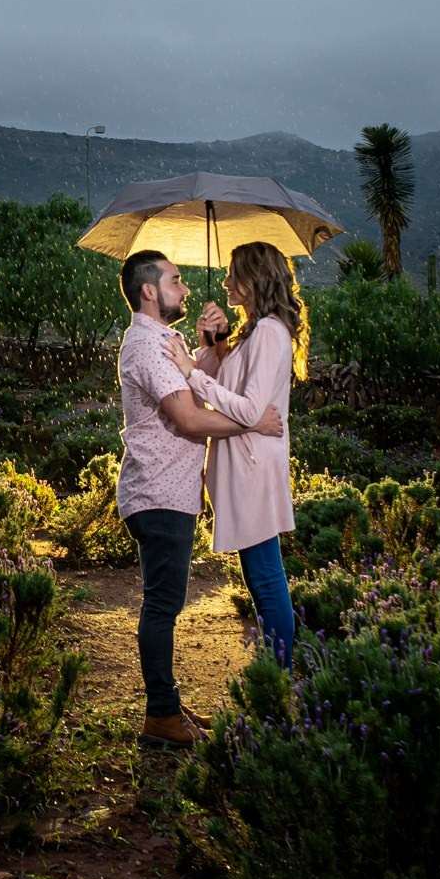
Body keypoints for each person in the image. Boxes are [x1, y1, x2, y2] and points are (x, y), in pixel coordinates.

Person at [116, 249, 282, 750]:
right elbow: (189, 418)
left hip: (170, 492)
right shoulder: (146, 344)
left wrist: (214, 344)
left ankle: (168, 705)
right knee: (163, 605)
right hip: (159, 492)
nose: (185, 289)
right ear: (150, 290)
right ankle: (161, 716)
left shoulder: (167, 339)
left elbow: (197, 378)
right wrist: (251, 422)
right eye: (176, 279)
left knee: (165, 602)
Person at [162, 241, 305, 670]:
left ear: (253, 279)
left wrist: (192, 373)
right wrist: (219, 342)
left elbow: (247, 409)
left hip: (252, 467)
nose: (225, 282)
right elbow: (239, 387)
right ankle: (275, 673)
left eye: (232, 274)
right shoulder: (256, 331)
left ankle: (279, 677)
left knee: (264, 577)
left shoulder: (269, 333)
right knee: (260, 576)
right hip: (247, 463)